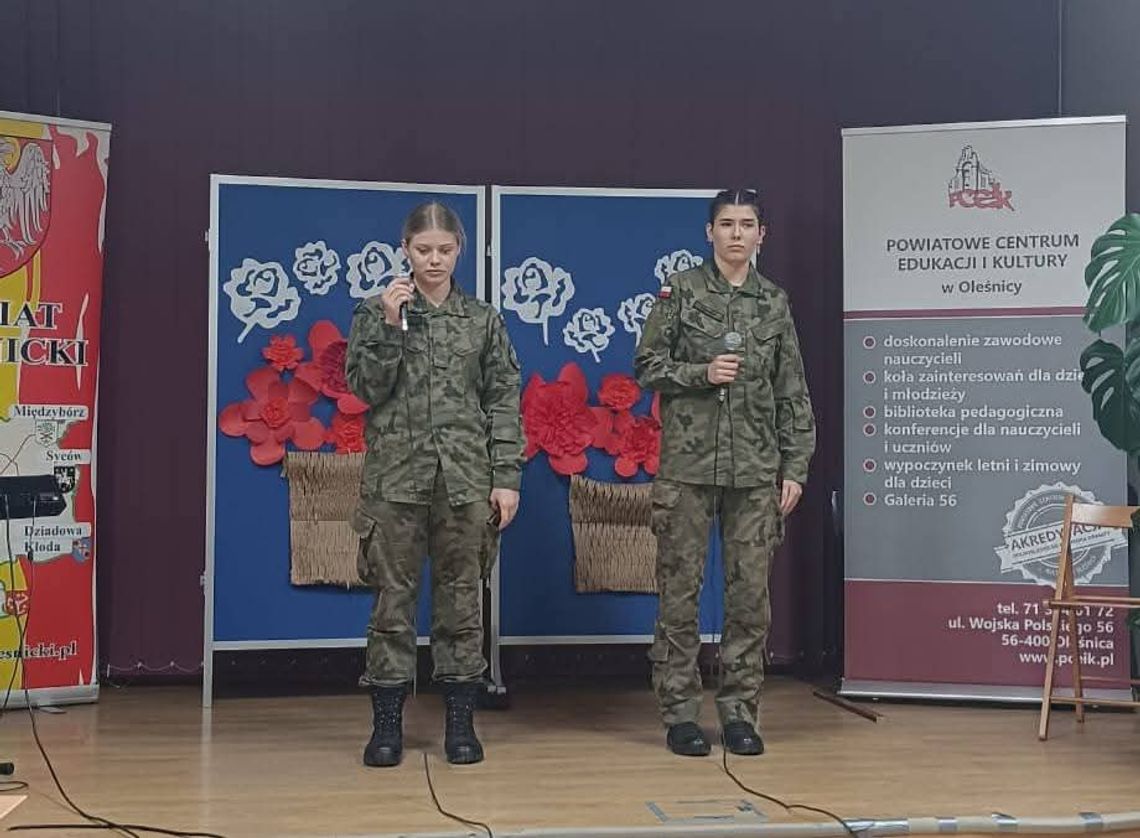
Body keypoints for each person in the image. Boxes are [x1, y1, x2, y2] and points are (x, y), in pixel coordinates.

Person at [633, 188, 816, 758]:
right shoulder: (680, 292)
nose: (737, 234)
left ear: (763, 235)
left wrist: (796, 466)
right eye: (726, 224)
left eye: (747, 224)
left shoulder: (774, 303)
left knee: (748, 598)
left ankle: (740, 712)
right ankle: (681, 713)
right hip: (688, 467)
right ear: (708, 232)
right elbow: (646, 366)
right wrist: (701, 371)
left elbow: (793, 391)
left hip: (756, 468)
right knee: (680, 594)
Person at [345, 202, 524, 768]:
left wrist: (507, 478)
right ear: (405, 250)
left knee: (461, 602)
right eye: (423, 250)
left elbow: (503, 399)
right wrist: (391, 327)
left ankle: (460, 724)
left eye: (444, 250)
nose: (434, 260)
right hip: (396, 480)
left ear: (459, 251)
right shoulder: (376, 314)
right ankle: (388, 727)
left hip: (465, 481)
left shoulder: (482, 320)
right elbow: (365, 390)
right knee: (392, 604)